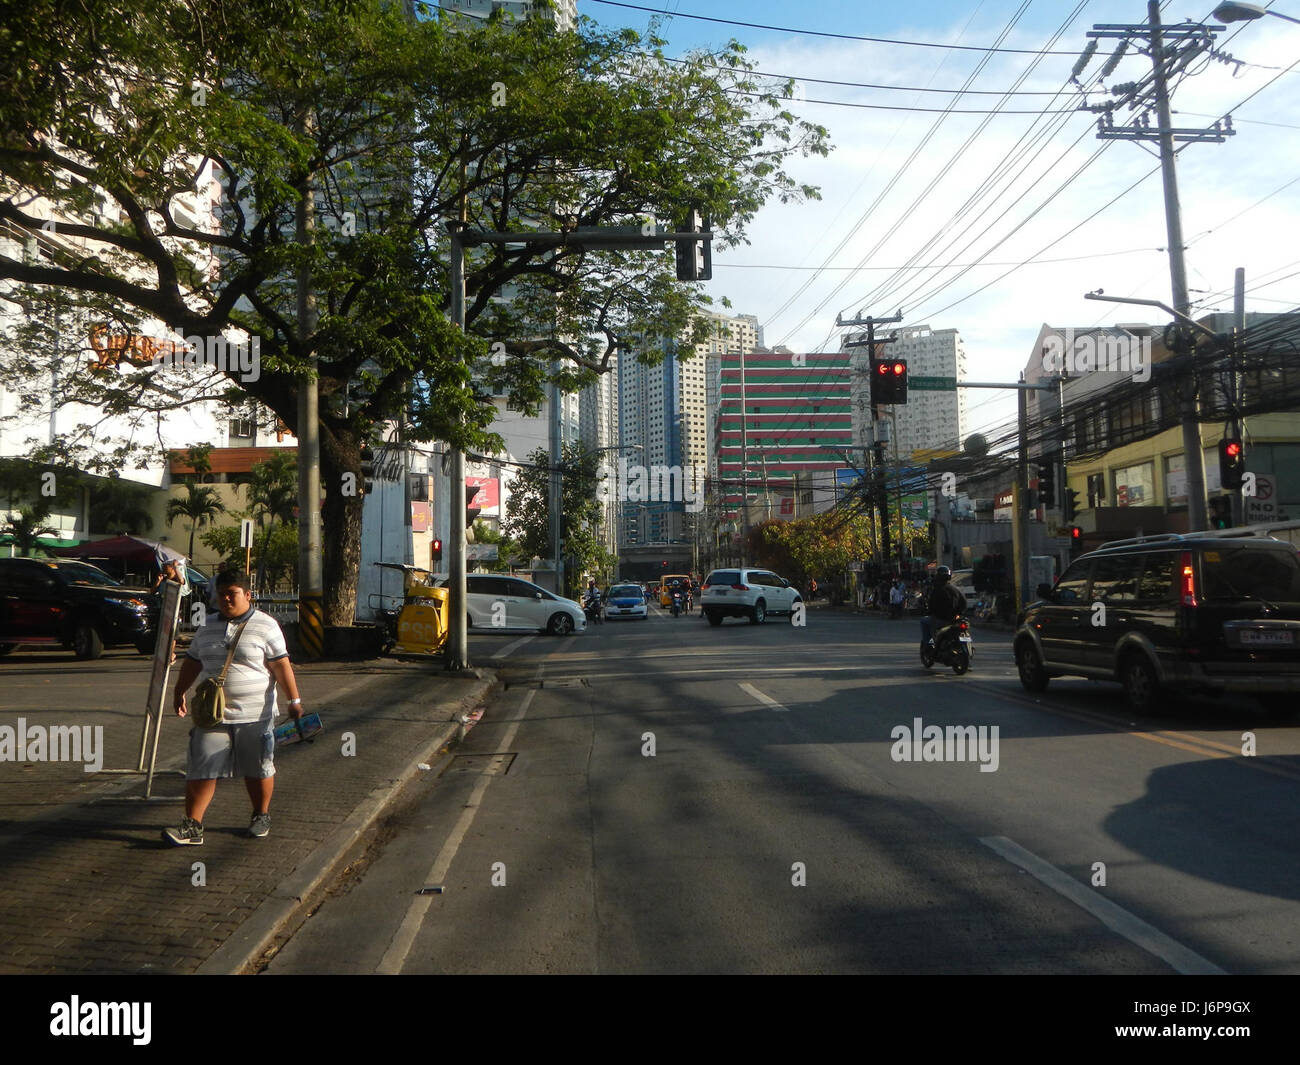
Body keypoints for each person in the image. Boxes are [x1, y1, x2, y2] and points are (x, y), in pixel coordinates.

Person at [163, 569, 303, 846]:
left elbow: (281, 665)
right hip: (212, 715)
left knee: (258, 767)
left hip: (256, 715)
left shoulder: (266, 625)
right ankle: (193, 826)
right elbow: (193, 662)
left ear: (247, 595)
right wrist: (179, 691)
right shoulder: (206, 626)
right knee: (202, 767)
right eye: (222, 594)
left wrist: (294, 701)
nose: (226, 599)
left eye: (233, 594)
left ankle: (261, 815)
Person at [923, 566, 967, 651]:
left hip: (941, 620)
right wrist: (959, 614)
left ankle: (928, 645)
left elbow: (932, 606)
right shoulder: (955, 589)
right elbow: (964, 603)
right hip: (955, 619)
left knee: (924, 621)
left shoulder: (937, 590)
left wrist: (929, 612)